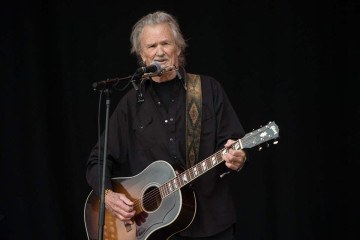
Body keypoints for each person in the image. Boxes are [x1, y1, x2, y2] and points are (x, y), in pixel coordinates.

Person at [86, 10, 247, 240]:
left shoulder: (207, 90)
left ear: (178, 49)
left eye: (166, 43)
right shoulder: (130, 104)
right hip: (156, 231)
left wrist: (238, 158)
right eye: (151, 46)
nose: (159, 52)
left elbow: (234, 144)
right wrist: (108, 195)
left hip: (211, 225)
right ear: (141, 56)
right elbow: (97, 160)